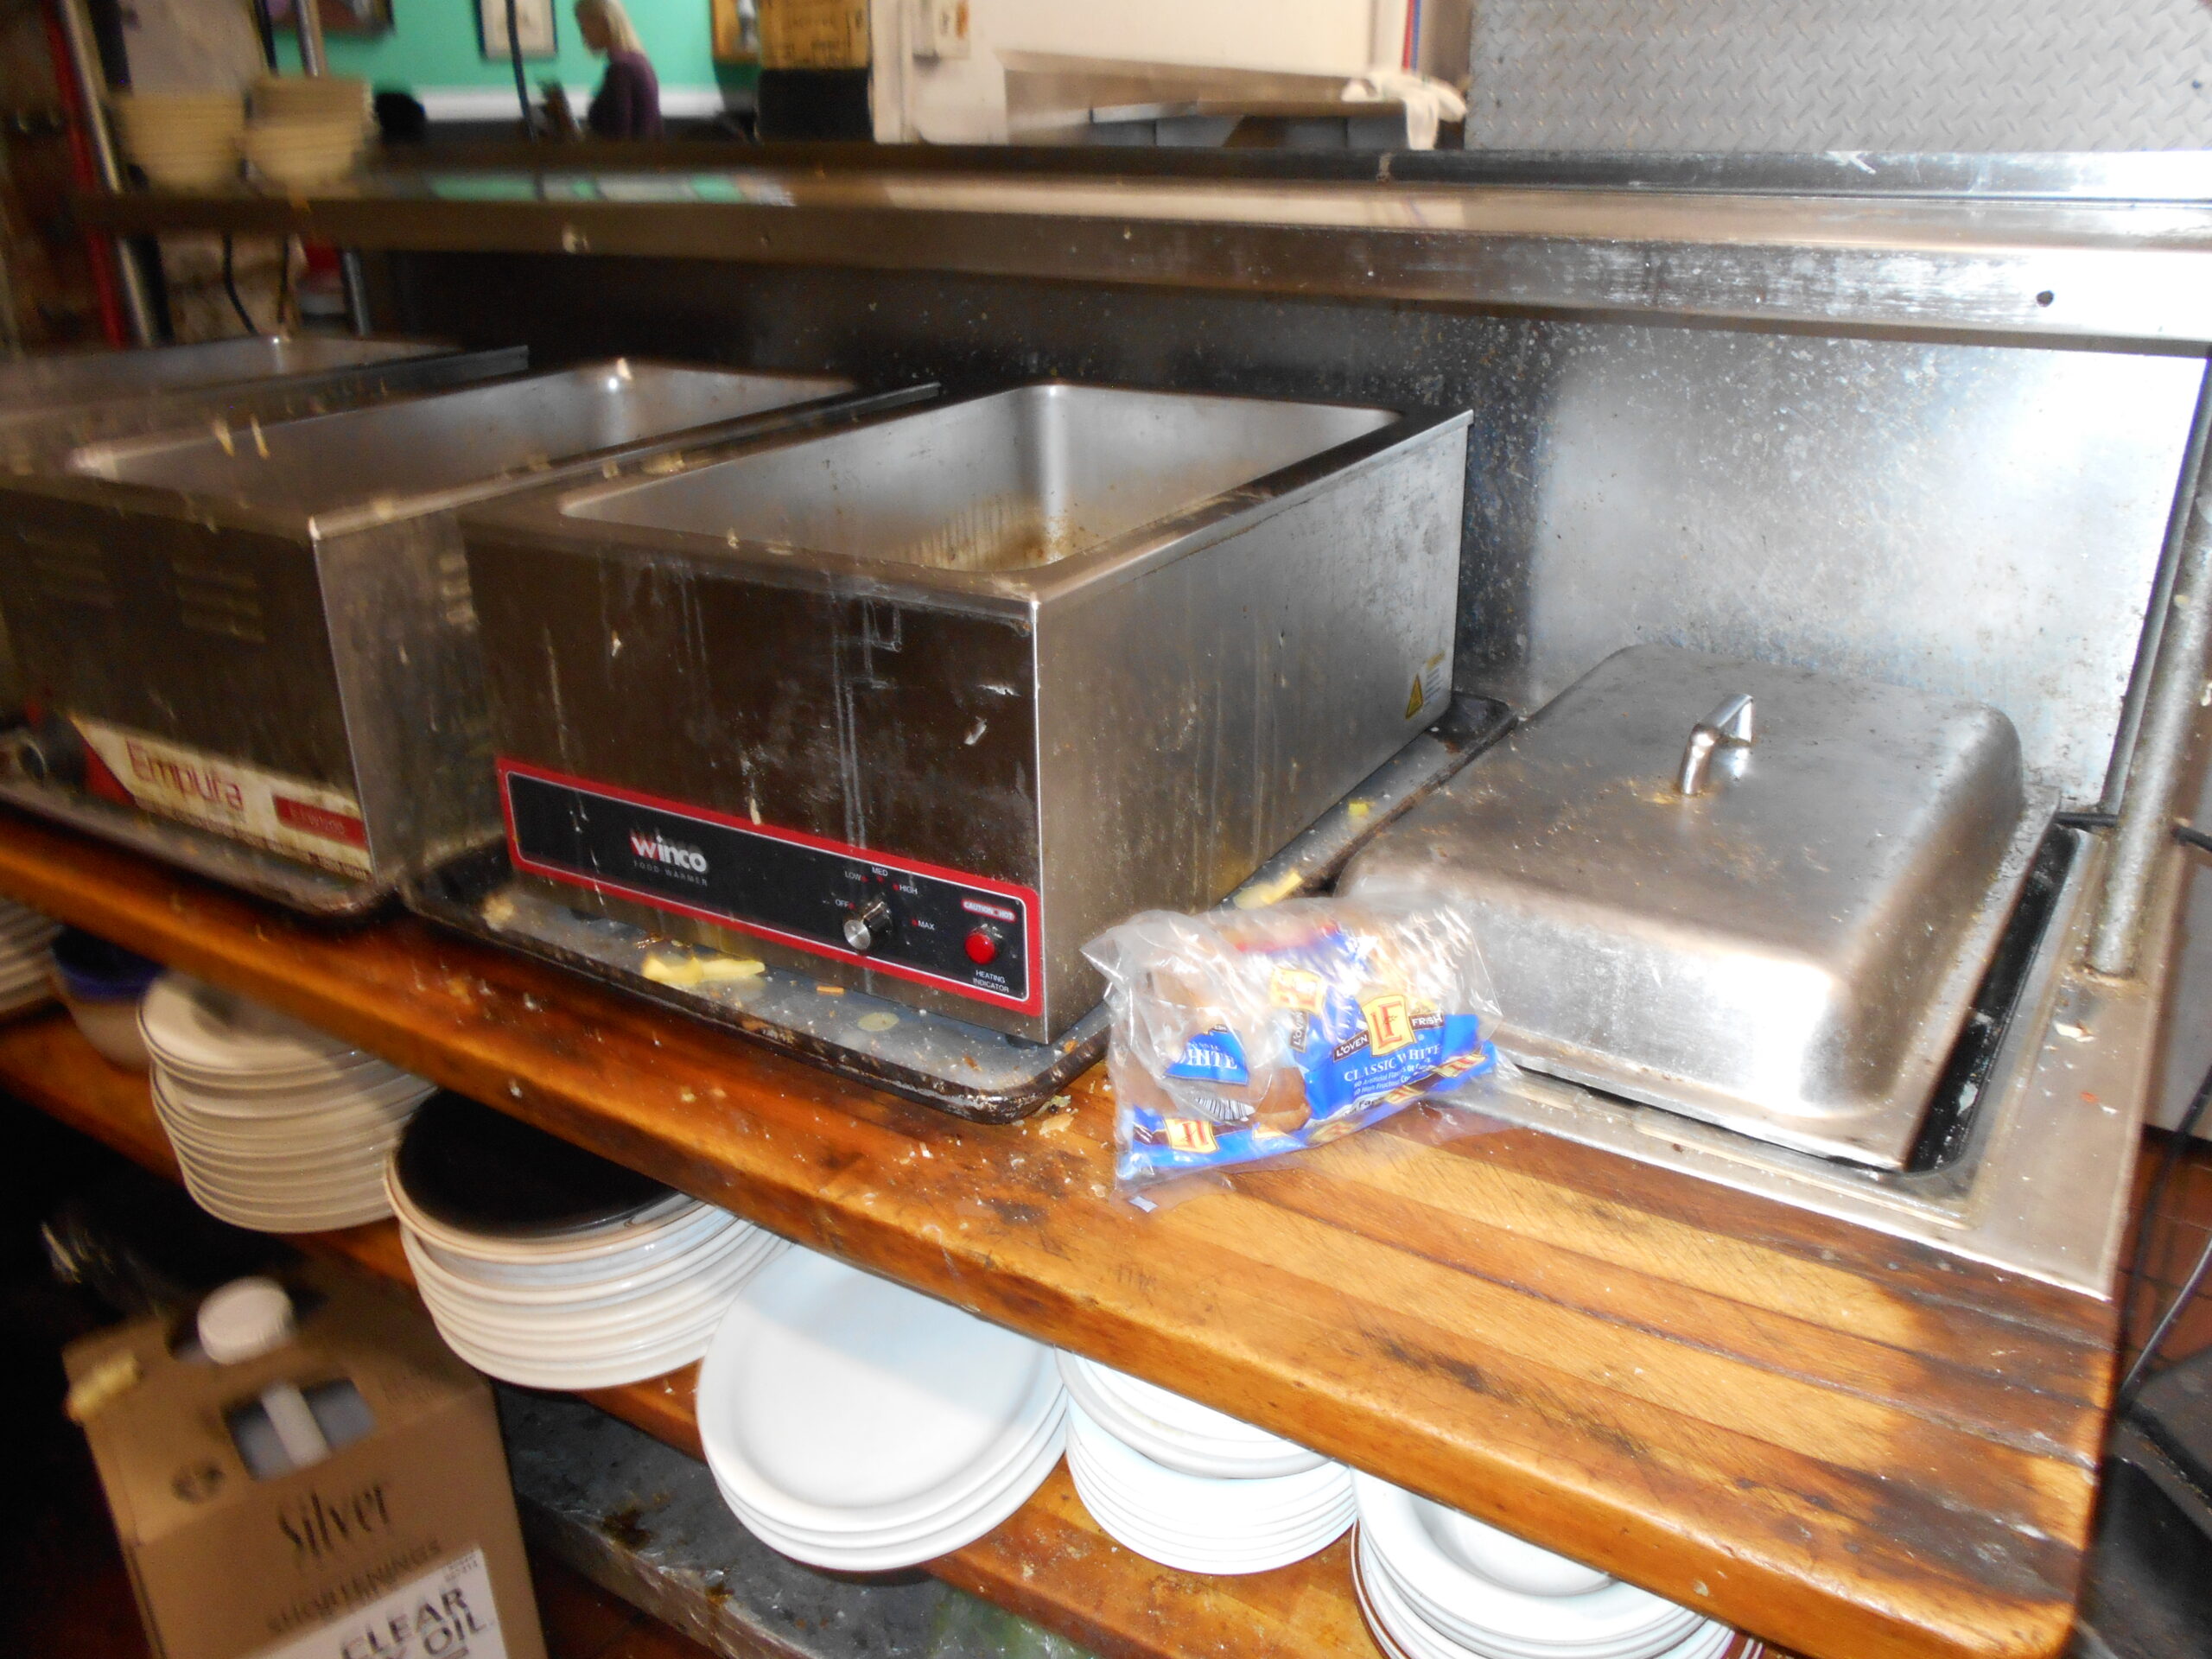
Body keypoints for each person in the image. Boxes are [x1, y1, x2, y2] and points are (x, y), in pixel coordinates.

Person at [575, 0, 662, 139]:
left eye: (583, 28)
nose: (583, 36)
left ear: (604, 22)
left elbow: (617, 139)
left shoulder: (620, 69)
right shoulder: (638, 60)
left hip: (630, 153)